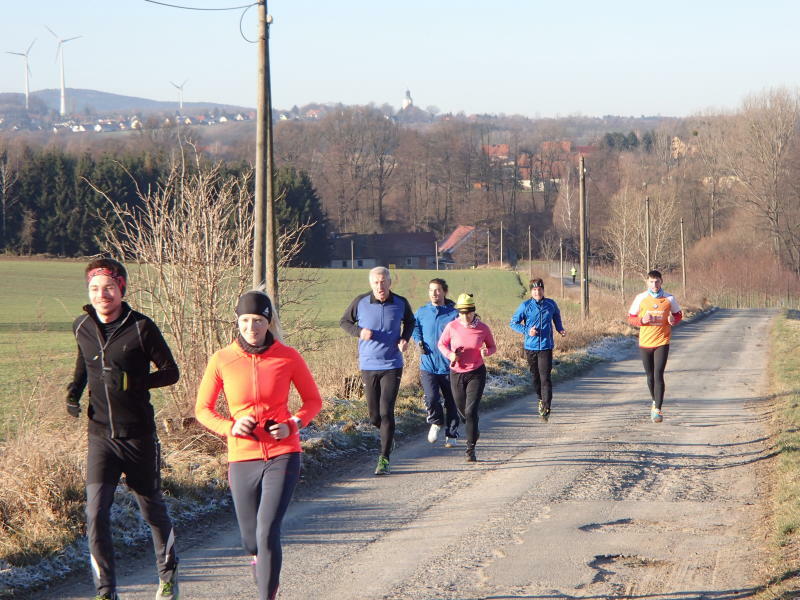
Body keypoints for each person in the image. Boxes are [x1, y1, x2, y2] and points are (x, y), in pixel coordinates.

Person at [195, 291, 322, 600]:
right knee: (250, 540)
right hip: (242, 457)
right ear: (237, 322)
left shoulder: (288, 356)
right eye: (245, 321)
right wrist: (231, 426)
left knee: (267, 532)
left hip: (283, 453)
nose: (251, 327)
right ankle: (258, 559)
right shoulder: (222, 359)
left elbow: (313, 401)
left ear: (269, 322)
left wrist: (293, 424)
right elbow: (203, 410)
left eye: (258, 321)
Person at [66, 258, 180, 600]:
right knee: (95, 512)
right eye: (95, 289)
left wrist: (135, 381)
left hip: (138, 436)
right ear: (89, 291)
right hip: (100, 437)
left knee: (151, 509)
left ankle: (168, 577)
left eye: (109, 288)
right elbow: (84, 364)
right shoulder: (81, 326)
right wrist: (72, 393)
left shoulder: (141, 327)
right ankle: (105, 591)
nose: (103, 295)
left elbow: (171, 372)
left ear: (122, 289)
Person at [340, 266, 415, 475]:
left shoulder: (400, 303)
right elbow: (344, 322)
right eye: (375, 282)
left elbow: (410, 322)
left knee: (386, 411)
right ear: (370, 284)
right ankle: (387, 437)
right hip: (368, 365)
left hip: (392, 364)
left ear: (390, 283)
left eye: (383, 282)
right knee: (374, 416)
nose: (380, 286)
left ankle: (384, 458)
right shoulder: (360, 302)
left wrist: (404, 339)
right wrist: (358, 331)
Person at [437, 293, 497, 462]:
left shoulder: (483, 328)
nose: (465, 316)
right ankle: (474, 429)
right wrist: (450, 355)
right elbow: (441, 344)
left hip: (476, 372)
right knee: (463, 412)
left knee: (470, 411)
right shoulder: (452, 326)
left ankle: (470, 449)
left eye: (468, 312)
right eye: (462, 312)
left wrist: (487, 351)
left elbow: (493, 347)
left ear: (473, 311)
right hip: (456, 372)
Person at [627, 270, 682, 422]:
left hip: (662, 341)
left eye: (657, 281)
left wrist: (673, 321)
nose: (654, 284)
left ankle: (658, 409)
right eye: (651, 281)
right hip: (645, 342)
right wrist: (642, 320)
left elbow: (678, 314)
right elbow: (631, 318)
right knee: (650, 376)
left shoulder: (669, 298)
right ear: (647, 282)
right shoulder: (641, 298)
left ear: (661, 281)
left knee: (658, 374)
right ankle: (654, 401)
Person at [509, 278, 566, 421]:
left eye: (539, 289)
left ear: (543, 290)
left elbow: (556, 317)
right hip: (530, 347)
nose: (537, 292)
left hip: (546, 346)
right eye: (534, 290)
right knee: (535, 378)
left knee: (545, 377)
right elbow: (513, 323)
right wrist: (527, 330)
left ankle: (546, 407)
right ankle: (541, 398)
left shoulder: (551, 304)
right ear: (531, 291)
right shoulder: (525, 306)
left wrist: (560, 328)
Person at [412, 278, 459, 447]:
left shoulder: (454, 313)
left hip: (449, 366)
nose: (434, 293)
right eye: (431, 290)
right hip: (428, 364)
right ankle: (436, 421)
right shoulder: (422, 311)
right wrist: (418, 341)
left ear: (444, 292)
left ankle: (452, 434)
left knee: (451, 401)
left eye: (438, 290)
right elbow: (414, 326)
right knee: (431, 398)